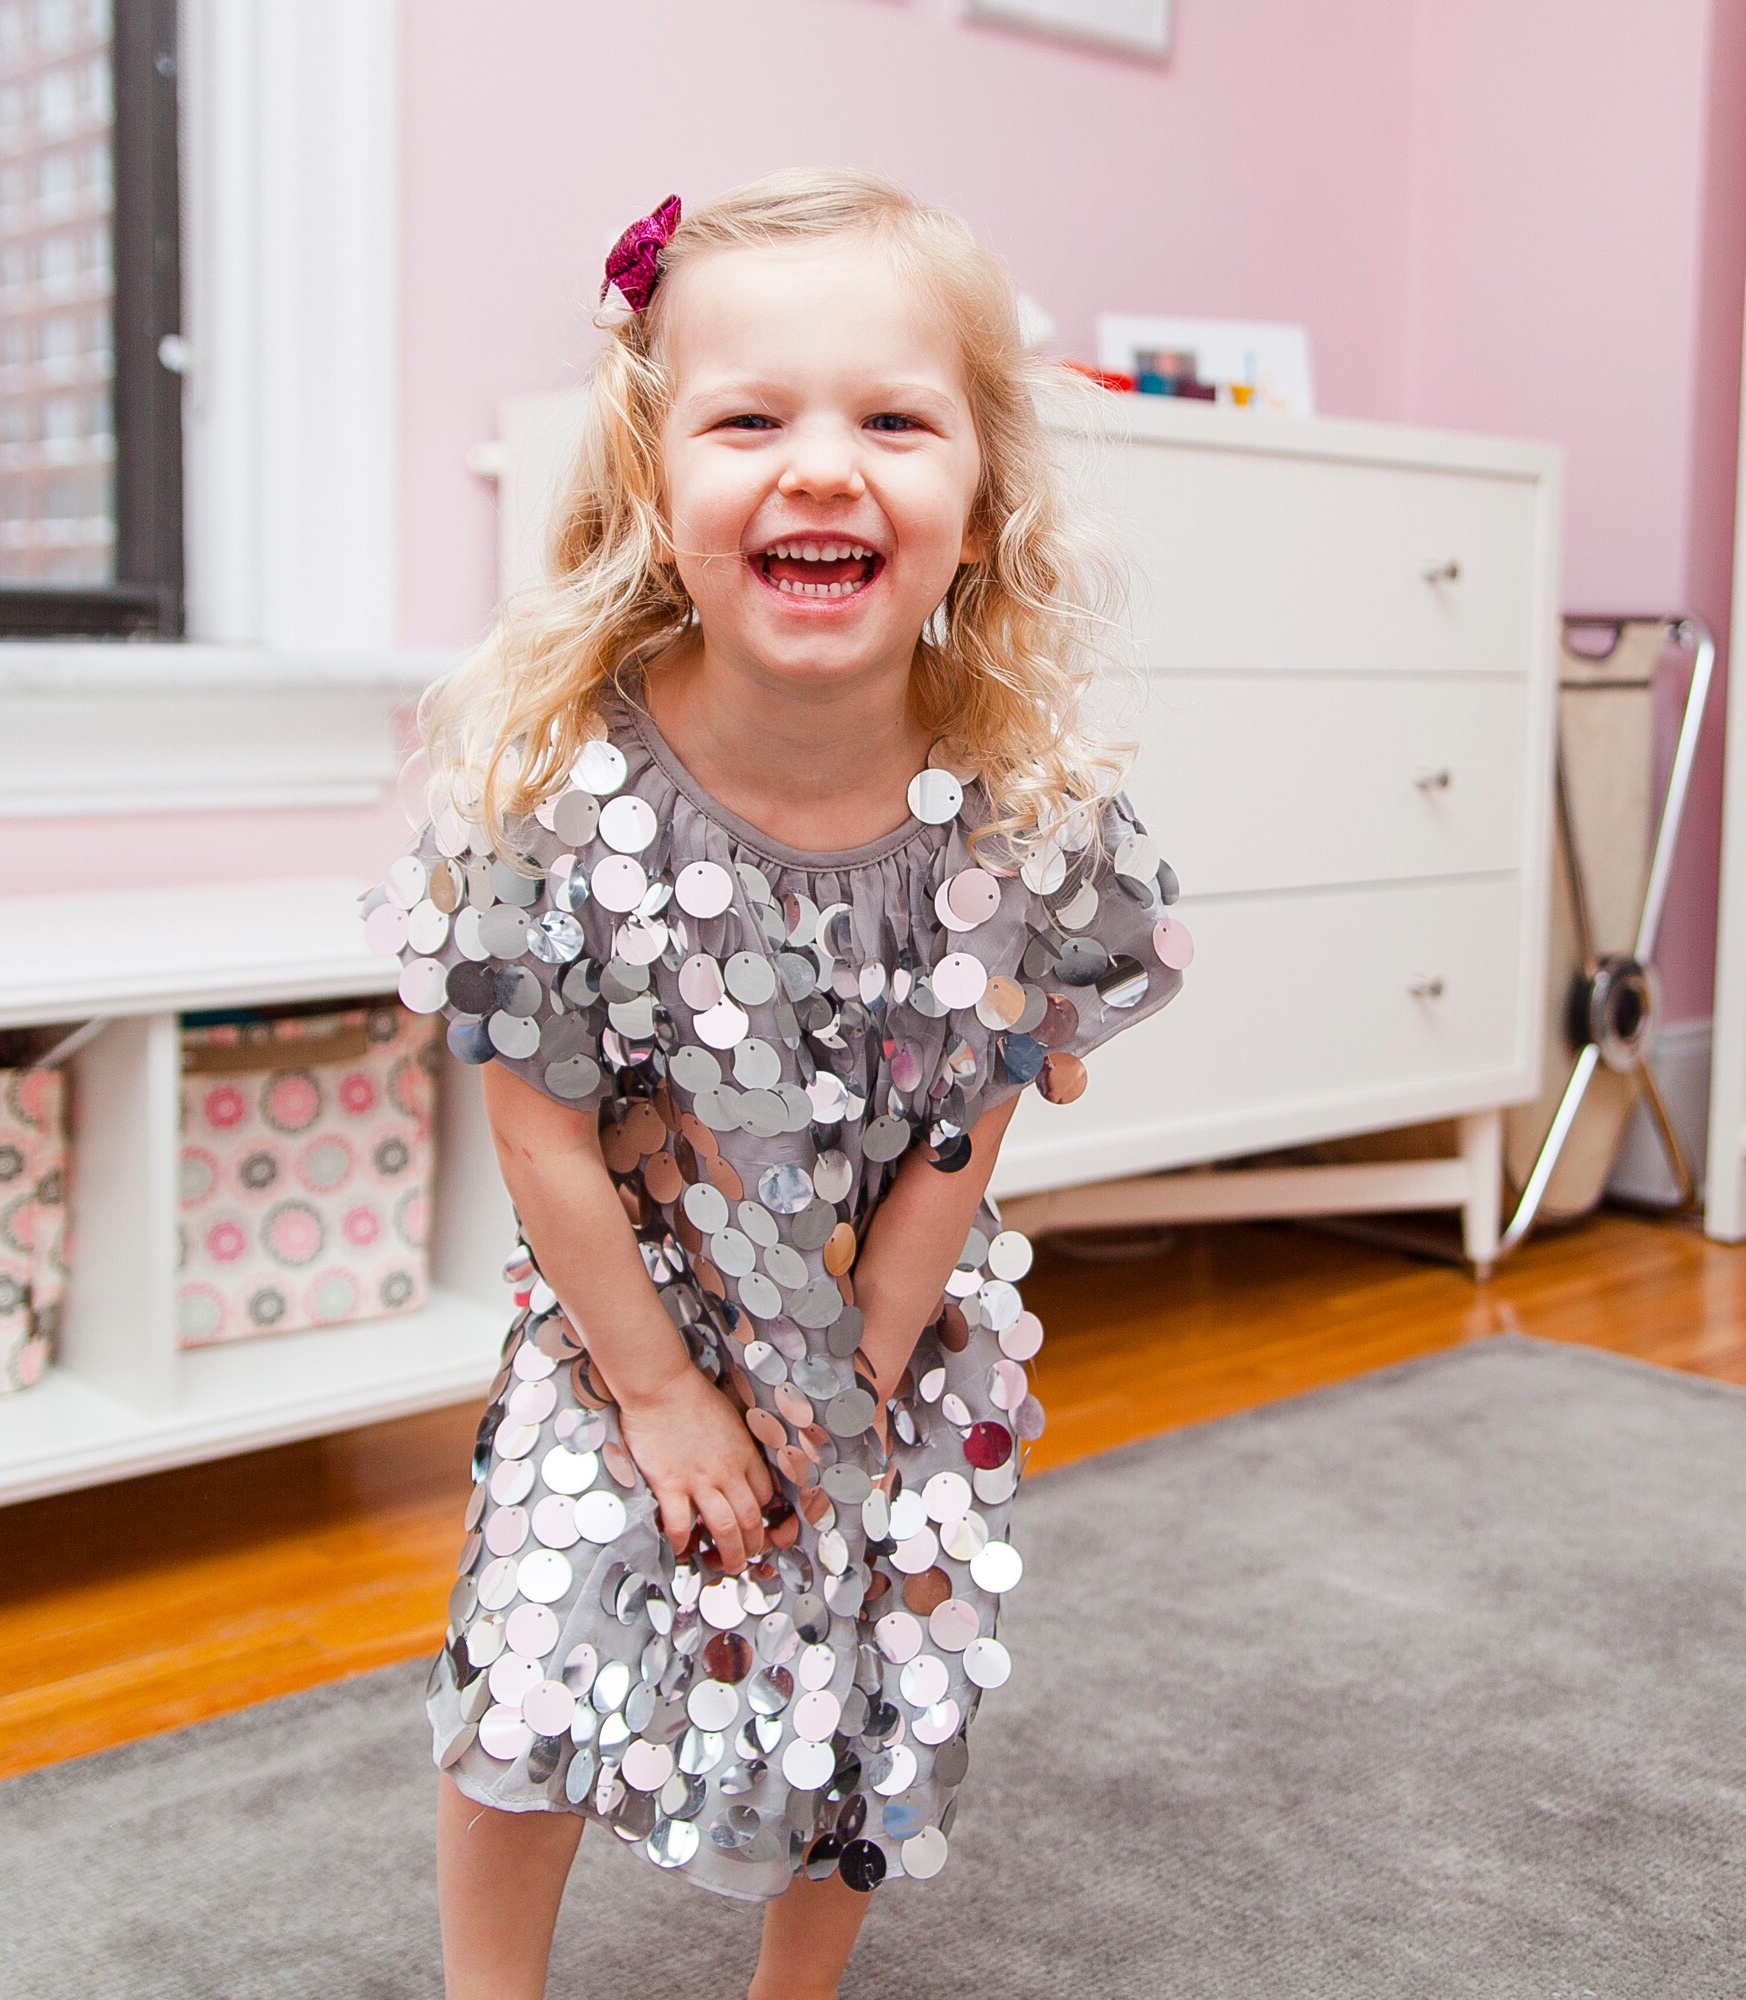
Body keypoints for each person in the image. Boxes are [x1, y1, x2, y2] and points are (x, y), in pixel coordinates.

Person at [364, 167, 1191, 1999]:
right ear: (657, 491)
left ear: (979, 504)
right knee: (533, 1651)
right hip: (625, 1314)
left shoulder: (1027, 815)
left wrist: (873, 1358)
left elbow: (983, 1094)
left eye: (894, 420)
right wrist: (663, 1400)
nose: (824, 467)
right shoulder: (551, 805)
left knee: (881, 1691)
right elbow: (536, 1128)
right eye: (751, 420)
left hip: (897, 1317)